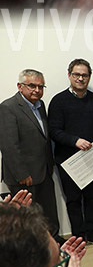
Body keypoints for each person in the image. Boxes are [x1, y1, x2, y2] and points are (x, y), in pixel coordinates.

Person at [48, 59, 93, 248]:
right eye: (77, 74)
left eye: (84, 75)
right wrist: (75, 141)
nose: (81, 78)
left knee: (92, 198)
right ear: (69, 75)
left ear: (89, 77)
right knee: (73, 200)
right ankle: (78, 237)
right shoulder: (58, 101)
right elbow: (54, 131)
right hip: (68, 162)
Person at [0, 69, 59, 239]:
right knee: (27, 221)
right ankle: (34, 256)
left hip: (44, 171)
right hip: (24, 176)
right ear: (20, 86)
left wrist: (50, 165)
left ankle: (52, 246)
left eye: (41, 86)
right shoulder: (8, 107)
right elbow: (9, 145)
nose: (37, 90)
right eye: (32, 85)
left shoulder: (41, 106)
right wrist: (21, 174)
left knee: (48, 214)